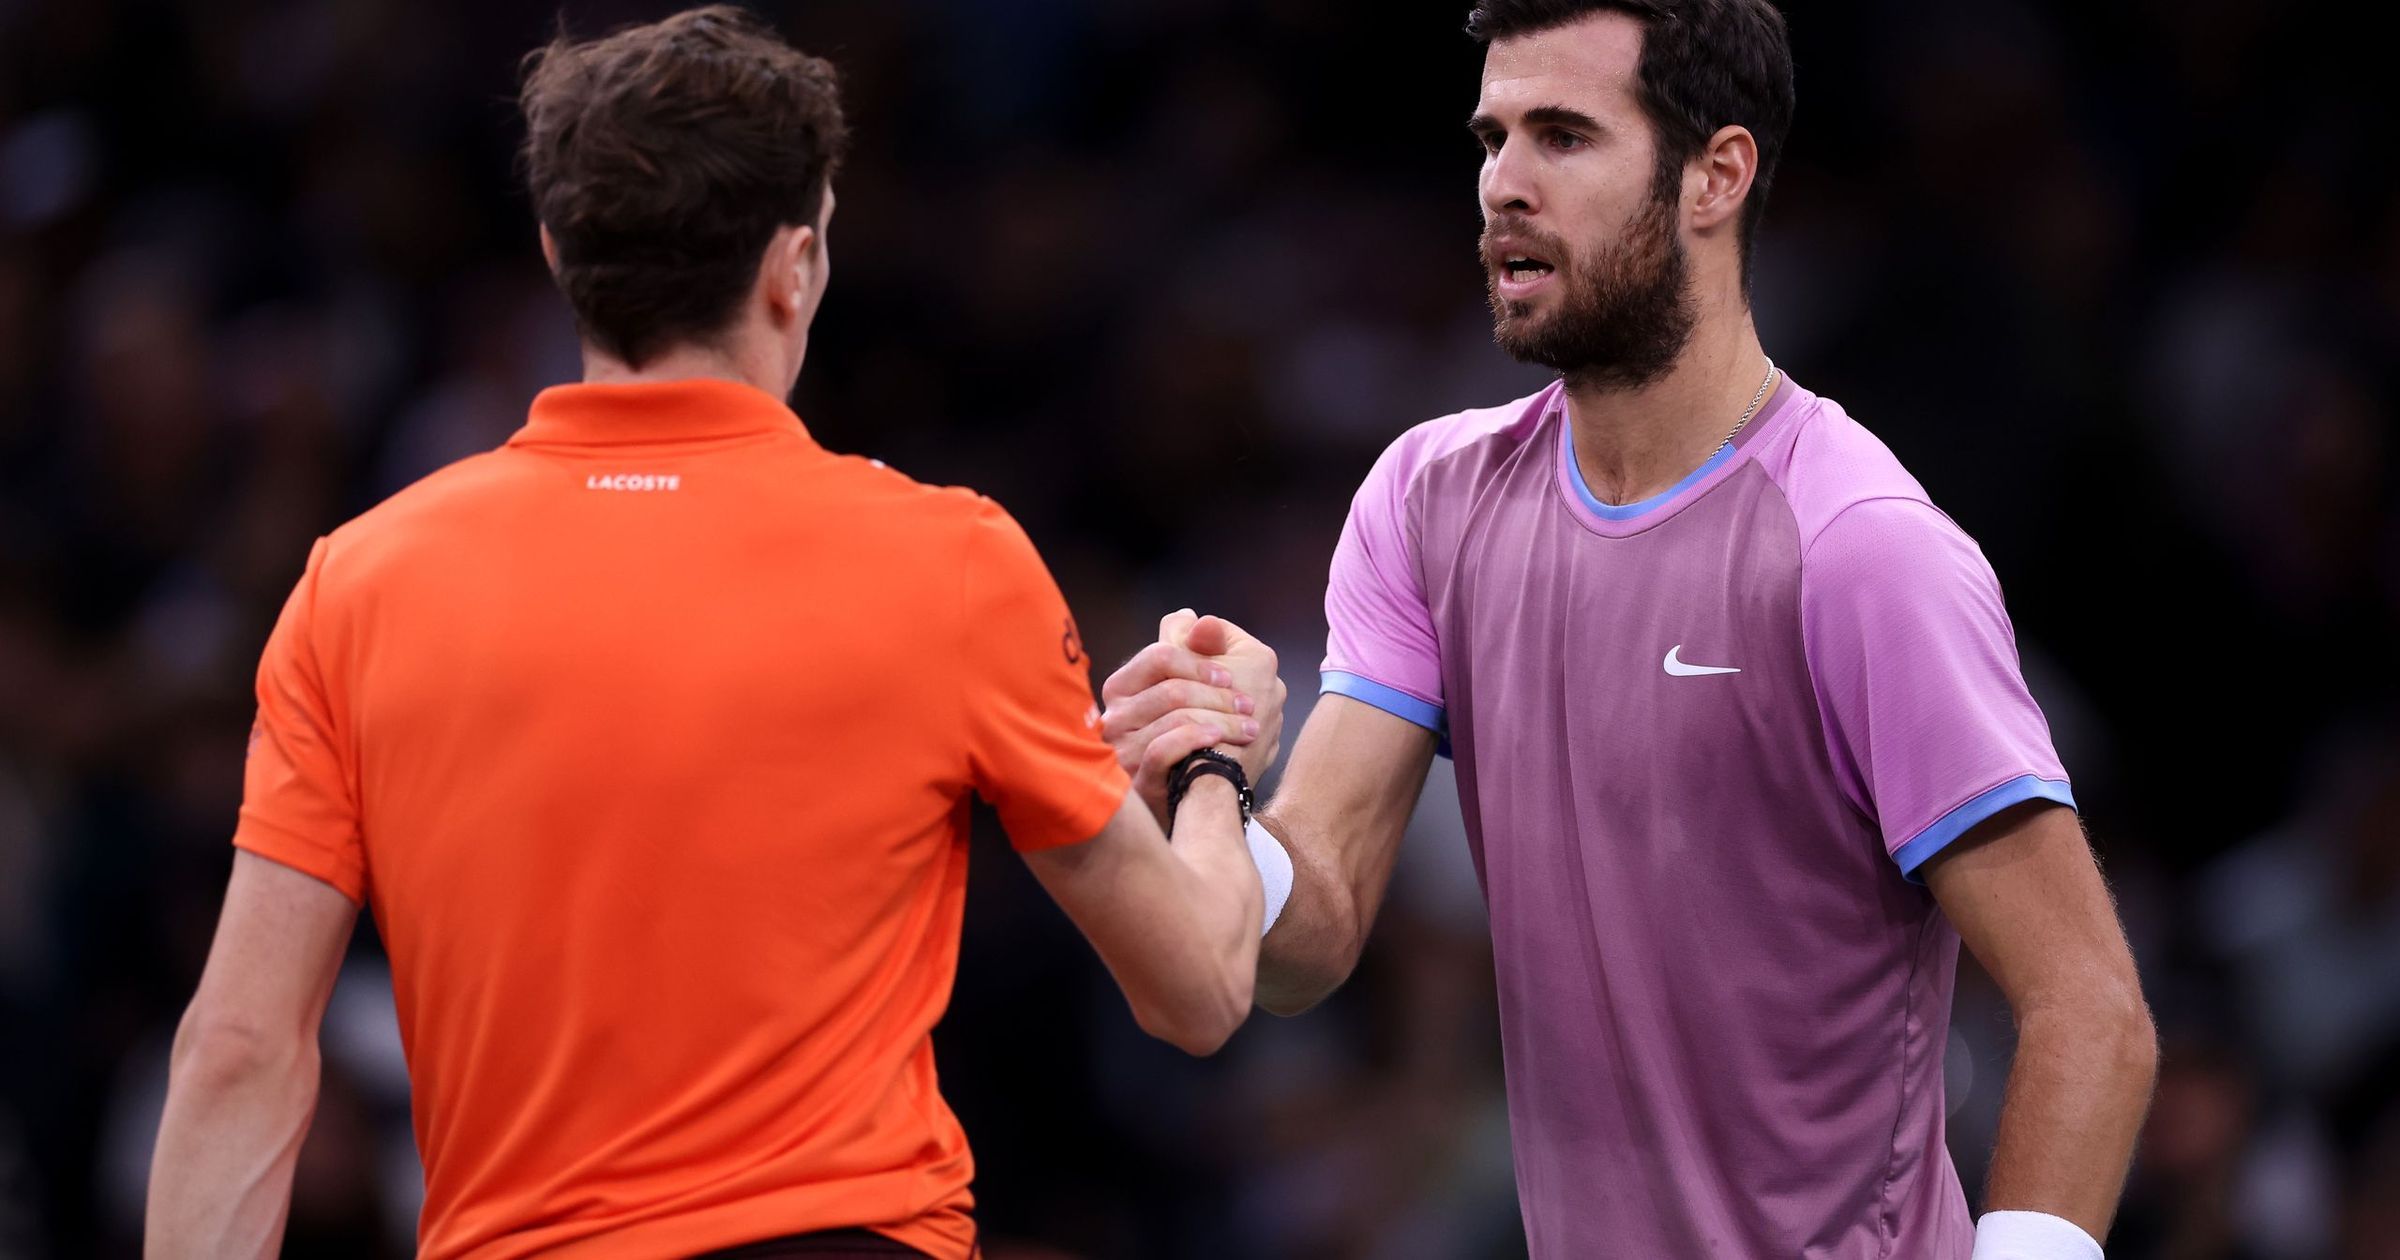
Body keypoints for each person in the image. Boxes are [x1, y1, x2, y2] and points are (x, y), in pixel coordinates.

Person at [143, 9, 1280, 1259]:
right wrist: (1211, 764)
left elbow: (243, 1051)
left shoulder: (357, 584)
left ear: (558, 254)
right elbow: (1199, 990)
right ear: (794, 265)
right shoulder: (949, 559)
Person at [1102, 2, 2157, 1257]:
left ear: (1716, 175)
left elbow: (2091, 1006)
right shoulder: (1429, 502)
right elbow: (1311, 933)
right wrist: (1207, 787)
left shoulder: (1859, 547)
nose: (1502, 185)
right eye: (1492, 138)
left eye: (1563, 136)